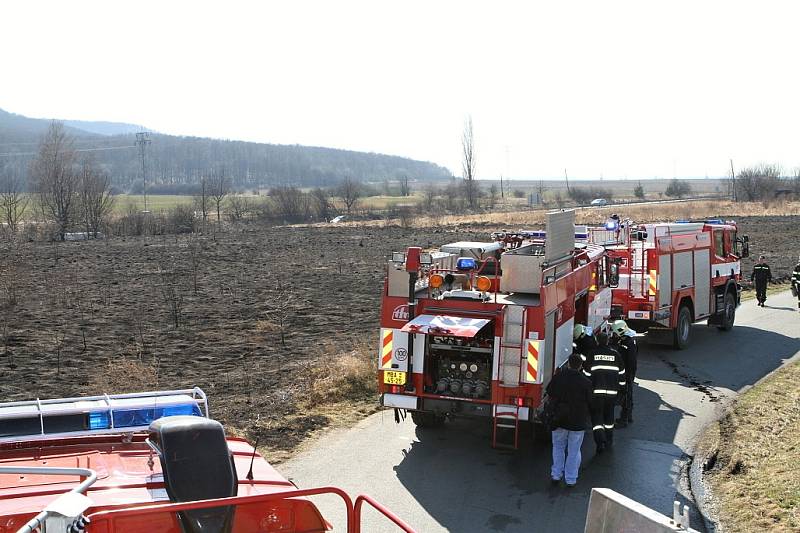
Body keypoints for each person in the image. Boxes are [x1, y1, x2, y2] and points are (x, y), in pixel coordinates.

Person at [576, 324, 625, 453]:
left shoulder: (592, 354)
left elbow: (586, 375)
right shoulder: (616, 355)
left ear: (597, 341)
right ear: (608, 341)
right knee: (609, 418)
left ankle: (600, 443)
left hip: (596, 395)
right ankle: (609, 440)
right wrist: (622, 392)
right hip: (612, 395)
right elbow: (622, 375)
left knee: (596, 419)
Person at [546, 353, 592, 488]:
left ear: (568, 364)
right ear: (581, 366)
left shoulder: (559, 377)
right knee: (574, 450)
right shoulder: (586, 382)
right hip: (577, 422)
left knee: (558, 447)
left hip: (559, 420)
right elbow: (591, 401)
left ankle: (556, 474)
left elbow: (550, 392)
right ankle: (571, 478)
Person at [610, 320, 638, 427]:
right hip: (628, 373)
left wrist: (627, 376)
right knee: (628, 395)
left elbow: (630, 362)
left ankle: (624, 420)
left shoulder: (627, 344)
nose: (614, 334)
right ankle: (628, 416)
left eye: (615, 332)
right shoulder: (626, 340)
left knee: (625, 395)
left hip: (627, 374)